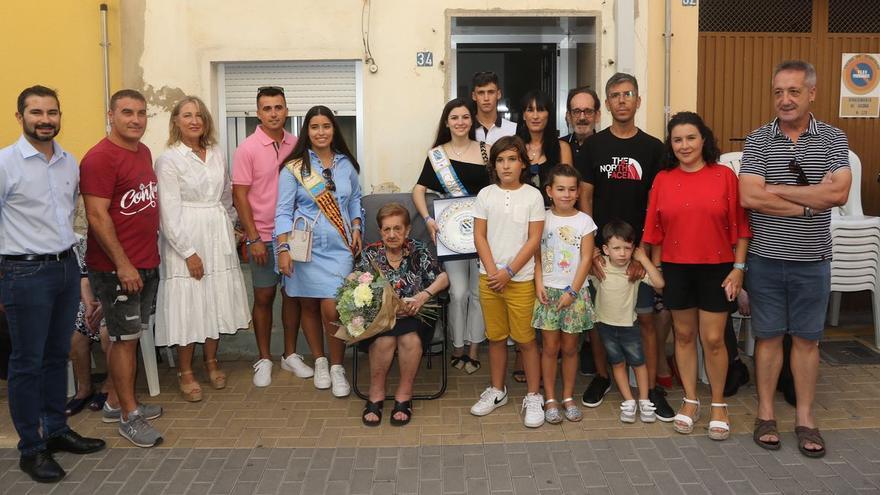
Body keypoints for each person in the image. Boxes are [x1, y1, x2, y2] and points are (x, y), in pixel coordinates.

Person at [739, 60, 851, 458]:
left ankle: (805, 419)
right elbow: (750, 197)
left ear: (811, 94)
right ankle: (766, 414)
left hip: (812, 260)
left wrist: (778, 189)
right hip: (766, 259)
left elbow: (837, 195)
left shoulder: (834, 139)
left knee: (807, 340)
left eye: (793, 92)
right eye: (778, 92)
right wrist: (808, 203)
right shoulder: (757, 140)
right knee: (767, 339)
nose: (784, 100)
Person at [0, 85, 106, 482]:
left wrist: (78, 275)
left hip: (64, 269)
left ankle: (57, 430)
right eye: (36, 112)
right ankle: (32, 447)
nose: (45, 120)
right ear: (20, 117)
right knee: (26, 363)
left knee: (54, 356)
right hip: (23, 274)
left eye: (52, 113)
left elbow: (70, 224)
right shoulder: (6, 163)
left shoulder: (68, 162)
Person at [643, 111, 751, 440]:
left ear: (704, 139)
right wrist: (656, 267)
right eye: (677, 139)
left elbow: (742, 228)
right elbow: (655, 230)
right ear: (670, 145)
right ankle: (690, 401)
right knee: (684, 337)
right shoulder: (663, 179)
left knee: (715, 339)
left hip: (718, 268)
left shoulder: (724, 177)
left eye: (691, 138)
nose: (685, 145)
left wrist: (739, 268)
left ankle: (718, 404)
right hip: (677, 268)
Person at [575, 72, 674, 421]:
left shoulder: (653, 148)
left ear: (637, 101)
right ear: (607, 103)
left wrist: (641, 254)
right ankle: (603, 378)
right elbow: (584, 198)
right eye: (614, 95)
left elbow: (655, 204)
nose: (621, 100)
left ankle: (649, 391)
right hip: (603, 254)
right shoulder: (593, 147)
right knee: (602, 323)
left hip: (637, 253)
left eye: (627, 94)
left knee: (644, 320)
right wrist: (595, 251)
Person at [81, 89, 163, 448]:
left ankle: (116, 401)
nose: (135, 119)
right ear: (110, 114)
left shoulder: (143, 151)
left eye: (142, 113)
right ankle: (130, 416)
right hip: (118, 268)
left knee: (130, 338)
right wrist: (123, 264)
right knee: (123, 339)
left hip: (145, 262)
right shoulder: (99, 158)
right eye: (127, 112)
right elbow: (97, 217)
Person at [155, 96, 251, 401]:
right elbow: (167, 212)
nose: (194, 120)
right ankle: (186, 371)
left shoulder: (217, 153)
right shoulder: (169, 159)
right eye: (187, 115)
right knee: (189, 304)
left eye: (199, 115)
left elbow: (225, 194)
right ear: (176, 122)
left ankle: (211, 362)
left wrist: (232, 226)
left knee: (214, 299)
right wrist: (188, 252)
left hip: (216, 231)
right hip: (187, 235)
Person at [276, 105, 363, 398]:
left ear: (333, 130)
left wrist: (357, 227)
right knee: (309, 306)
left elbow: (354, 200)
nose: (321, 132)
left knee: (333, 306)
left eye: (326, 126)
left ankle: (337, 366)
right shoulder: (294, 168)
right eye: (315, 127)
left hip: (339, 248)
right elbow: (283, 211)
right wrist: (283, 248)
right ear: (307, 132)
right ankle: (321, 361)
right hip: (304, 248)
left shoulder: (346, 164)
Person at [232, 86, 312, 388]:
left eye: (278, 107)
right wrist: (252, 237)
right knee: (264, 296)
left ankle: (290, 355)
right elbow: (239, 195)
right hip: (263, 235)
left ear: (287, 110)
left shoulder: (297, 144)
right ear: (258, 113)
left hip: (296, 236)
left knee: (293, 296)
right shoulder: (247, 148)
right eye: (267, 108)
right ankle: (263, 358)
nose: (274, 113)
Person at [468, 135, 545, 427]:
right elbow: (479, 235)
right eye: (500, 160)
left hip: (521, 280)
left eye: (512, 159)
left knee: (526, 341)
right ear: (494, 165)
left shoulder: (533, 196)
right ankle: (497, 390)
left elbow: (534, 239)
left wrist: (509, 272)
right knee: (496, 339)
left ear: (523, 163)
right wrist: (493, 271)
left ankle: (534, 395)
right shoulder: (485, 194)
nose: (506, 165)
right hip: (490, 280)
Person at [412, 98, 490, 375]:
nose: (460, 122)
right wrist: (429, 220)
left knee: (479, 293)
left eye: (465, 117)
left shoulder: (486, 151)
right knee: (458, 293)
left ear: (473, 121)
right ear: (447, 122)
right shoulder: (437, 155)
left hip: (483, 232)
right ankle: (457, 346)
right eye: (454, 117)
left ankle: (473, 348)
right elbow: (418, 190)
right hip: (451, 234)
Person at [357, 203, 449, 426]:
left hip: (417, 313)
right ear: (380, 232)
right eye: (386, 229)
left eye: (397, 229)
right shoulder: (371, 253)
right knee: (385, 338)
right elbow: (358, 284)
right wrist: (385, 305)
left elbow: (443, 278)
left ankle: (404, 394)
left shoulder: (418, 249)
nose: (392, 234)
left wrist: (423, 296)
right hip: (382, 317)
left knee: (408, 338)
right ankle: (376, 392)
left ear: (407, 230)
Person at [532, 165, 597, 424]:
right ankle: (549, 398)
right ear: (549, 191)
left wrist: (572, 290)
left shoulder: (585, 222)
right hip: (547, 291)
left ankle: (568, 396)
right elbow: (535, 254)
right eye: (560, 189)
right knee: (549, 348)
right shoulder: (541, 219)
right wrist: (538, 283)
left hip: (575, 293)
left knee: (570, 348)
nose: (567, 194)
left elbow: (585, 259)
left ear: (579, 191)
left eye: (572, 189)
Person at [591, 221, 665, 424]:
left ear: (633, 249)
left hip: (629, 326)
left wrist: (643, 259)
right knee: (617, 363)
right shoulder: (600, 265)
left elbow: (659, 284)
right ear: (606, 249)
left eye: (627, 248)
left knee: (638, 363)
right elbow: (583, 269)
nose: (622, 253)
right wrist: (591, 256)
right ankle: (629, 401)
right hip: (605, 325)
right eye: (616, 248)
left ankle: (643, 400)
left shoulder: (636, 270)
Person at [65, 233, 113, 416]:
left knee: (107, 333)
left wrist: (105, 304)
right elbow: (84, 278)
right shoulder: (89, 241)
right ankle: (84, 389)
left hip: (124, 295)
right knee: (74, 334)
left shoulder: (129, 236)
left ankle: (110, 385)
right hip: (95, 298)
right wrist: (89, 307)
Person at [517, 90, 573, 203]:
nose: (535, 116)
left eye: (541, 110)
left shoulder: (562, 148)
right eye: (530, 110)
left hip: (553, 214)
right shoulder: (514, 147)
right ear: (523, 115)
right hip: (518, 213)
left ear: (549, 114)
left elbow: (569, 187)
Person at [471, 71, 517, 145]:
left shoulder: (513, 130)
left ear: (498, 94)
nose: (486, 98)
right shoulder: (465, 129)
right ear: (473, 96)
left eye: (491, 92)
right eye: (481, 93)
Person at [562, 86, 601, 159]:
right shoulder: (558, 147)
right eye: (576, 112)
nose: (582, 118)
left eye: (588, 111)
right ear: (568, 116)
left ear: (597, 116)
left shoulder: (606, 146)